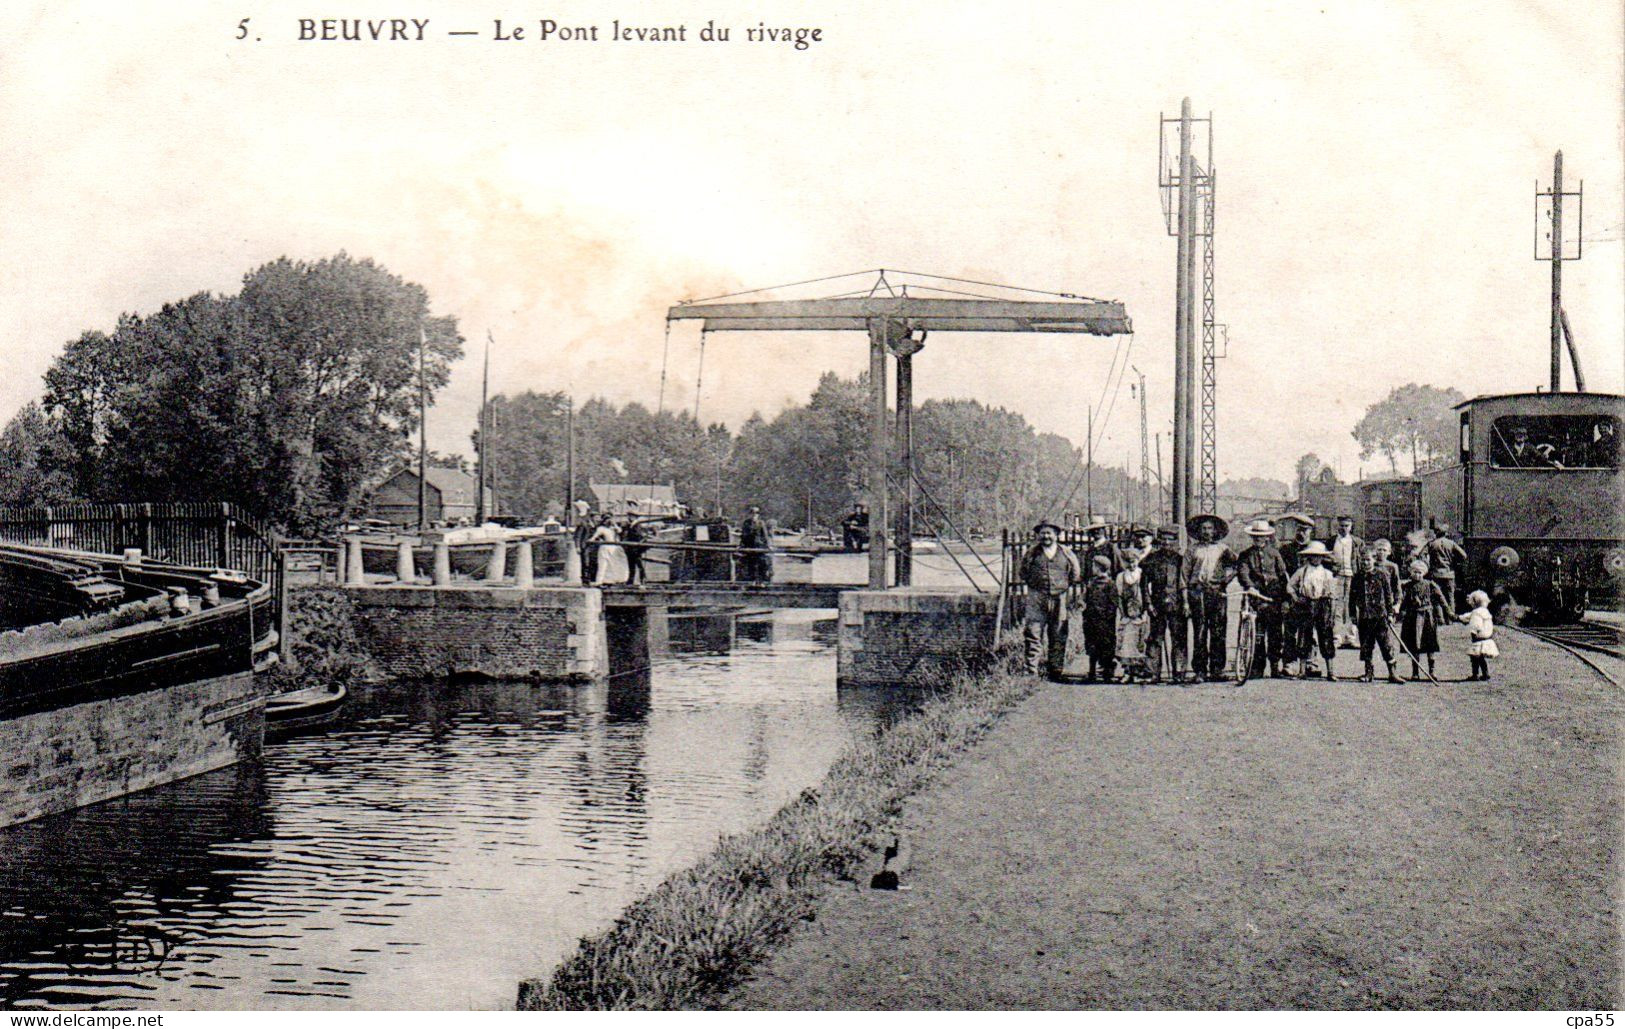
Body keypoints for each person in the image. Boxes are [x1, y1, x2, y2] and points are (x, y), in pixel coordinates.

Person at [1018, 521, 1082, 679]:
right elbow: (1023, 572)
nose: (1046, 536)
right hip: (1036, 598)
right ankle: (1031, 670)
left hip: (1059, 597)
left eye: (1049, 533)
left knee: (1058, 633)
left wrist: (1063, 586)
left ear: (1056, 535)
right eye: (1043, 533)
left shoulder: (1066, 552)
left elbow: (1075, 573)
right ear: (1038, 535)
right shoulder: (1032, 553)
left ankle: (1056, 669)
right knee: (1033, 632)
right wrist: (1036, 586)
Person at [1235, 518, 1290, 678]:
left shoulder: (1274, 553)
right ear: (1252, 538)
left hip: (1273, 598)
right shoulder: (1245, 555)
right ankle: (1256, 668)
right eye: (1256, 536)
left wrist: (1285, 596)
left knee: (1275, 634)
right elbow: (1243, 572)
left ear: (1267, 537)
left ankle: (1274, 666)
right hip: (1255, 598)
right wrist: (1250, 586)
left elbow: (1282, 575)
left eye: (1262, 536)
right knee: (1256, 634)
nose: (1259, 539)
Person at [1183, 514, 1235, 681]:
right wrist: (1186, 598)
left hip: (1217, 592)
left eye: (1210, 528)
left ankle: (1217, 669)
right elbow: (1184, 575)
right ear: (1199, 531)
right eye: (1204, 528)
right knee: (1200, 632)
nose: (1207, 532)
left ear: (1215, 531)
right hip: (1197, 593)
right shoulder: (1192, 550)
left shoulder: (1223, 549)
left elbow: (1236, 565)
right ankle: (1200, 670)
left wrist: (1226, 579)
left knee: (1218, 631)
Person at [1141, 524, 1190, 683]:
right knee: (1155, 639)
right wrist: (1148, 604)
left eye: (1170, 540)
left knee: (1179, 639)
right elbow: (1144, 585)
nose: (1167, 543)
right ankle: (1152, 673)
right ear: (1159, 541)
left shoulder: (1181, 560)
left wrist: (1185, 604)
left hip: (1177, 605)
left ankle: (1179, 673)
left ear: (1175, 541)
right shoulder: (1150, 560)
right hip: (1157, 605)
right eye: (1164, 540)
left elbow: (1184, 584)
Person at [1287, 541, 1338, 680]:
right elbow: (1290, 586)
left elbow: (1333, 594)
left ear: (1322, 558)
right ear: (1309, 557)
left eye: (1319, 556)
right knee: (1304, 636)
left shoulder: (1327, 573)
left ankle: (1330, 672)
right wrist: (1296, 598)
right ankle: (1302, 670)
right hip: (1306, 604)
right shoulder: (1302, 571)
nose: (1316, 559)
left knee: (1326, 635)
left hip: (1323, 604)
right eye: (1313, 556)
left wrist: (1331, 612)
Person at [1349, 550, 1403, 683]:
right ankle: (1368, 673)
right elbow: (1352, 598)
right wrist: (1353, 616)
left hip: (1380, 617)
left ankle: (1393, 673)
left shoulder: (1382, 575)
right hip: (1364, 617)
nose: (1365, 563)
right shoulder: (1357, 577)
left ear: (1374, 560)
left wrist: (1390, 614)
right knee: (1366, 646)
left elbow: (1388, 596)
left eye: (1368, 560)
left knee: (1386, 645)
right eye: (1363, 560)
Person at [1277, 512, 1317, 674]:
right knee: (1290, 631)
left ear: (1310, 532)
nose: (1301, 533)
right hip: (1292, 598)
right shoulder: (1286, 550)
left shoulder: (1316, 550)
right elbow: (1281, 576)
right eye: (1299, 530)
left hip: (1311, 599)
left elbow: (1330, 568)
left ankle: (1310, 662)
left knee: (1310, 631)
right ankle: (1289, 663)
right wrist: (1286, 599)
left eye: (1305, 530)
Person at [1398, 559, 1450, 681]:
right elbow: (1402, 601)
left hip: (1427, 617)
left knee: (1429, 643)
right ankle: (1415, 672)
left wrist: (1448, 612)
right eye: (1415, 572)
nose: (1417, 575)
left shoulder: (1430, 584)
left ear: (1424, 573)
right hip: (1412, 617)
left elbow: (1441, 598)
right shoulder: (1406, 586)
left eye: (1420, 572)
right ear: (1411, 572)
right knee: (1413, 645)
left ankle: (1432, 671)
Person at [1115, 547, 1152, 683]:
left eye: (1134, 561)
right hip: (1126, 615)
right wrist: (1123, 612)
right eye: (1128, 562)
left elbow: (1147, 593)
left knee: (1139, 642)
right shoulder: (1121, 576)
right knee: (1126, 643)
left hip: (1140, 614)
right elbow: (1119, 596)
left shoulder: (1142, 574)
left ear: (1138, 560)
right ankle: (1127, 672)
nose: (1131, 565)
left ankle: (1138, 671)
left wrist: (1144, 610)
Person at [1330, 515, 1365, 648]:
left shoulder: (1357, 542)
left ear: (1351, 527)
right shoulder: (1331, 541)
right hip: (1336, 577)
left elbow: (1363, 559)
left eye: (1346, 526)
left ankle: (1351, 637)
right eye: (1341, 525)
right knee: (1336, 605)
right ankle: (1337, 637)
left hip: (1353, 577)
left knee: (1353, 606)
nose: (1344, 528)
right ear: (1337, 526)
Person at [1082, 554, 1118, 682]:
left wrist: (1108, 616)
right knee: (1092, 645)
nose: (1092, 569)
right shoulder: (1091, 584)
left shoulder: (1110, 584)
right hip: (1092, 619)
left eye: (1094, 566)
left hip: (1105, 621)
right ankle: (1092, 671)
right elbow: (1086, 599)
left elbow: (1113, 603)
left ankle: (1107, 671)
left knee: (1106, 645)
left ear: (1100, 568)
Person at [1424, 525, 1468, 612]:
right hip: (1449, 574)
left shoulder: (1431, 543)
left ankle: (1440, 619)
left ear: (1436, 533)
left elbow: (1422, 555)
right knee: (1450, 597)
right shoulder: (1451, 543)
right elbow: (1464, 555)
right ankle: (1451, 619)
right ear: (1445, 533)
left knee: (1437, 597)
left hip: (1435, 574)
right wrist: (1455, 561)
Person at [1459, 590, 1498, 680]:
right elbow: (1469, 616)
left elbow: (1476, 624)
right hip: (1487, 638)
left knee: (1475, 658)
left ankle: (1475, 674)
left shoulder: (1476, 613)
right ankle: (1485, 673)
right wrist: (1460, 617)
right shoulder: (1485, 611)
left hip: (1479, 639)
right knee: (1481, 659)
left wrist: (1473, 632)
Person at [739, 505, 772, 582]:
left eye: (756, 513)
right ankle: (752, 581)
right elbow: (743, 535)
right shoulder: (746, 523)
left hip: (759, 547)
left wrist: (768, 546)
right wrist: (741, 545)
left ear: (758, 514)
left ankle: (761, 581)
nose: (754, 515)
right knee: (751, 564)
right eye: (752, 513)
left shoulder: (761, 523)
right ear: (749, 514)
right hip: (749, 546)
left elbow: (765, 536)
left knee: (761, 564)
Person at [587, 513, 619, 584]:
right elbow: (595, 536)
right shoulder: (601, 529)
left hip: (613, 547)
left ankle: (610, 581)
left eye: (609, 520)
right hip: (605, 547)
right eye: (606, 520)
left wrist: (615, 525)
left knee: (612, 565)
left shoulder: (613, 529)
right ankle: (599, 581)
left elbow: (620, 531)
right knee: (602, 564)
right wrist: (591, 540)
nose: (608, 522)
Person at [621, 516, 647, 585]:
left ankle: (642, 579)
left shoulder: (637, 525)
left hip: (636, 548)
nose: (629, 518)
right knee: (631, 565)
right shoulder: (630, 525)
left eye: (631, 516)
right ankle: (631, 580)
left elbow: (639, 535)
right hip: (630, 547)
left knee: (639, 564)